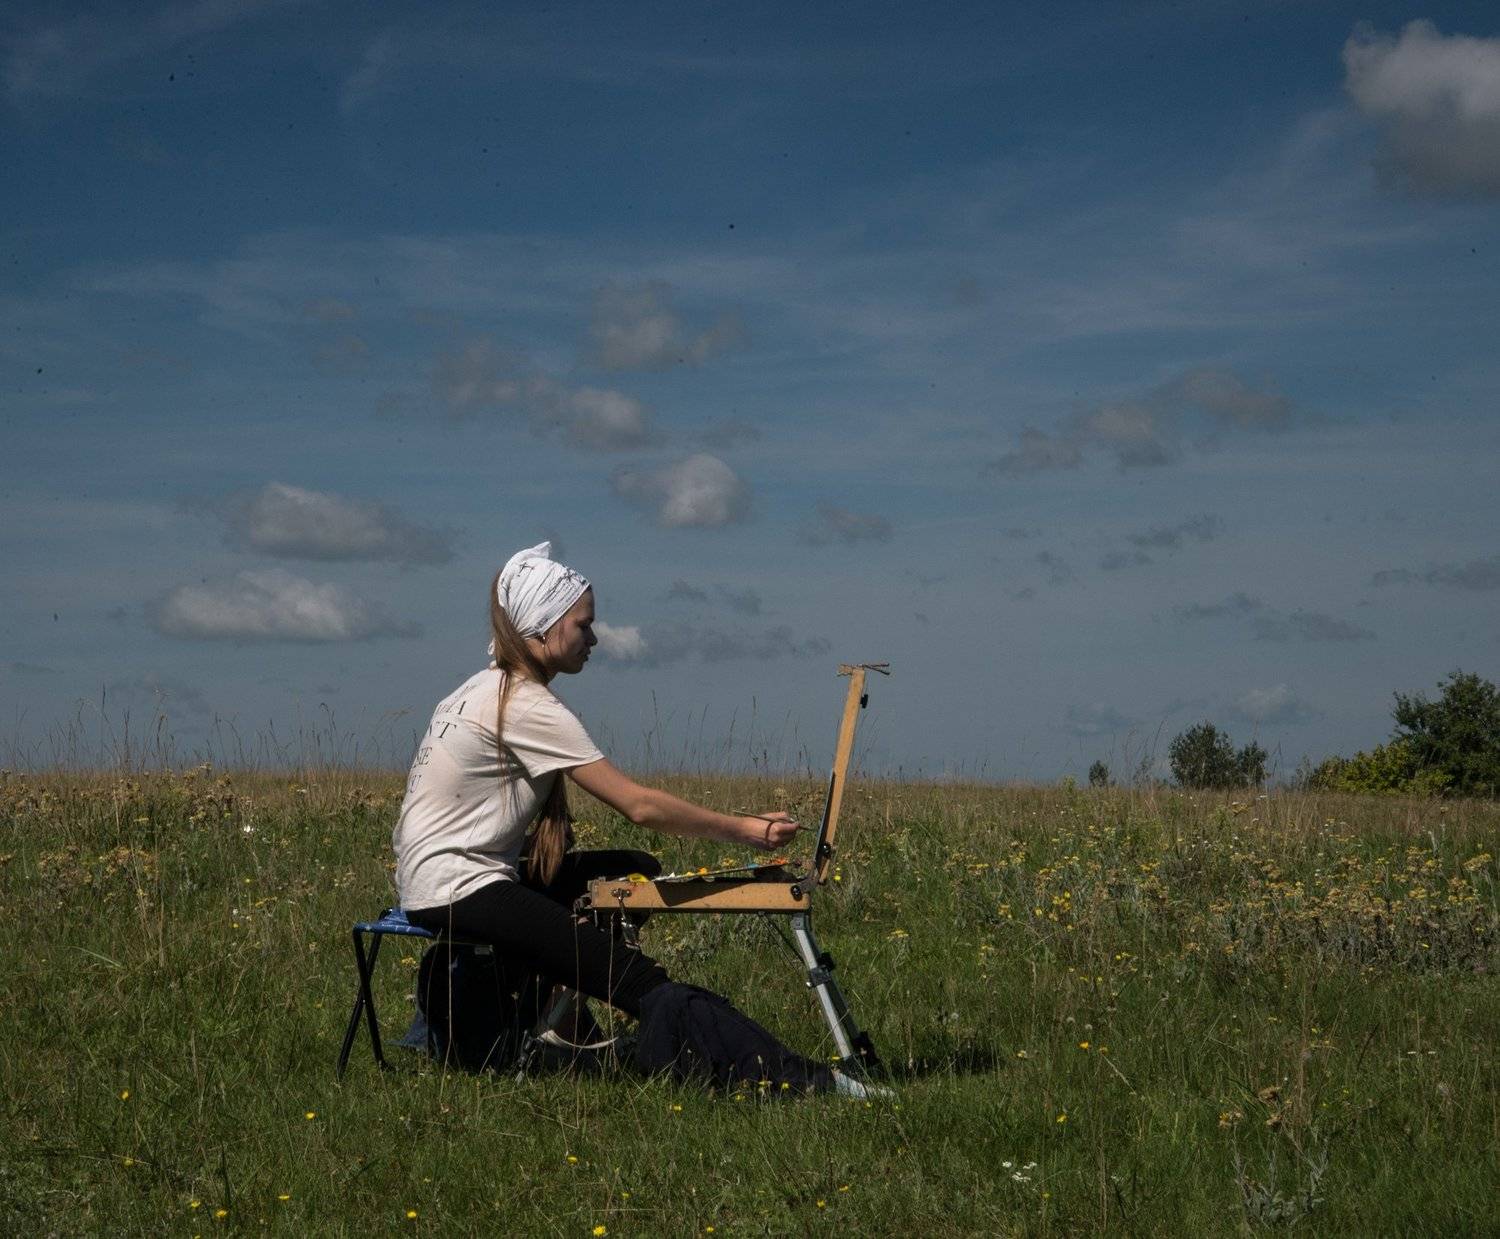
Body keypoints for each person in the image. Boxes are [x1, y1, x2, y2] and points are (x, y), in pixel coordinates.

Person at [393, 543, 883, 1097]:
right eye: (584, 625)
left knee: (632, 870)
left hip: (432, 883)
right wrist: (746, 829)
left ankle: (543, 1020)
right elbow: (639, 806)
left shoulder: (475, 690)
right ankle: (810, 1083)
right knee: (641, 983)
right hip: (463, 889)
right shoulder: (526, 705)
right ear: (544, 626)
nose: (594, 638)